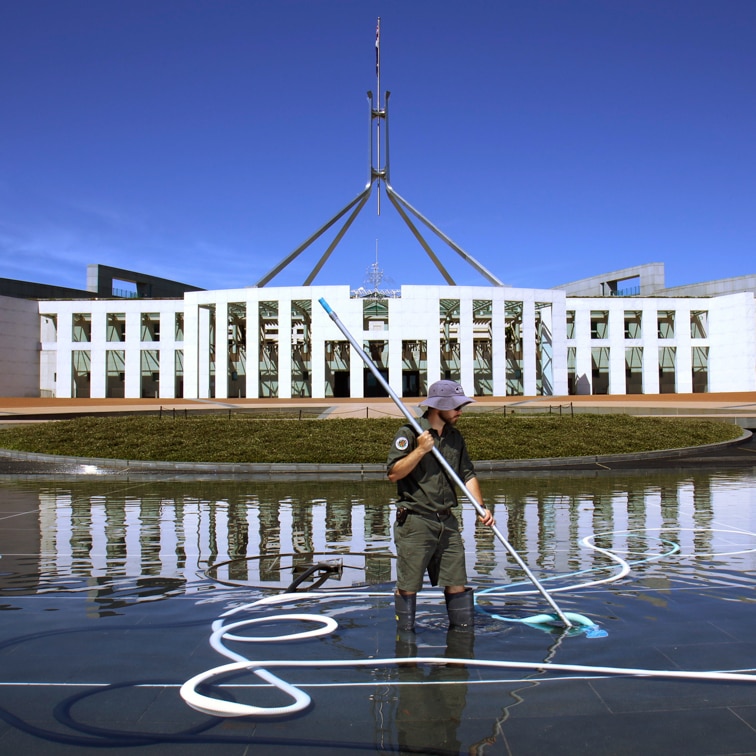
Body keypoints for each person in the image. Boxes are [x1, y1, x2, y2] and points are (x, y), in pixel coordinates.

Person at [386, 379, 495, 633]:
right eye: (455, 407)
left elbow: (467, 474)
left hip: (447, 522)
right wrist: (421, 450)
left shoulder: (455, 437)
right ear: (438, 408)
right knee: (408, 585)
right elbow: (393, 473)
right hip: (415, 521)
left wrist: (482, 507)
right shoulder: (409, 433)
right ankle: (406, 648)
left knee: (457, 581)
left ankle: (461, 642)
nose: (460, 412)